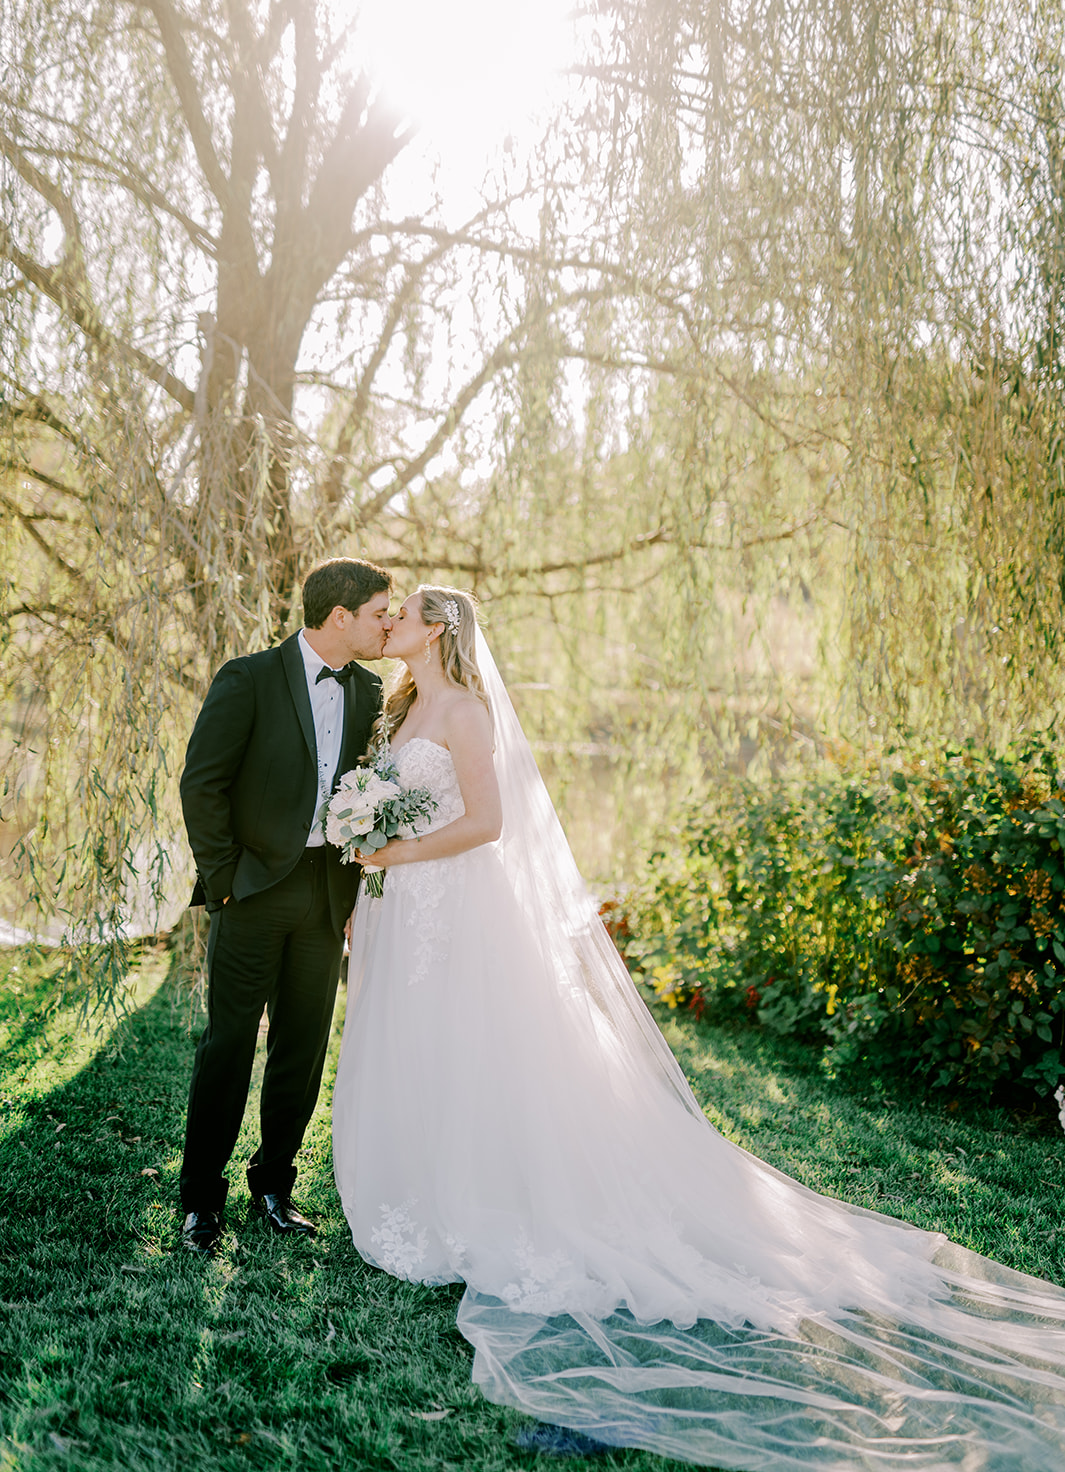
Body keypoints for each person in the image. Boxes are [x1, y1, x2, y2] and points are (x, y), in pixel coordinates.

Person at [332, 582, 1065, 1471]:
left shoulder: (469, 714)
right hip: (407, 906)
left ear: (439, 627)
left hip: (450, 903)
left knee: (471, 1049)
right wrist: (372, 848)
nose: (389, 622)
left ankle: (479, 1201)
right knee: (422, 1049)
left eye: (402, 611)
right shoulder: (401, 705)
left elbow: (487, 824)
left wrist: (392, 847)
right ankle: (422, 1189)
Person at [178, 556, 392, 1255]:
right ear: (340, 617)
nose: (385, 624)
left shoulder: (371, 691)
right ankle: (200, 1202)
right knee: (229, 1045)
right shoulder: (248, 678)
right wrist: (224, 879)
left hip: (327, 893)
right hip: (253, 889)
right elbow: (201, 784)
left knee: (300, 1047)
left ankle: (273, 1187)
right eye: (378, 613)